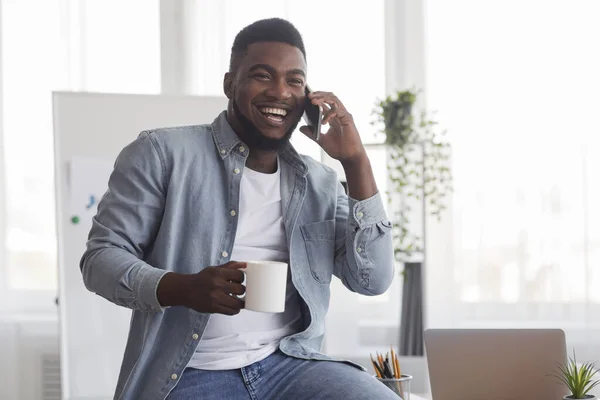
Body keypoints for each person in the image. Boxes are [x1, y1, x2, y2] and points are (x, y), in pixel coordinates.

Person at [81, 17, 396, 400]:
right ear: (230, 83)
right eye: (263, 76)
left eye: (294, 80)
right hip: (190, 372)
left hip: (289, 366)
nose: (280, 92)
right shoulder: (162, 154)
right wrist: (183, 287)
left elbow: (372, 279)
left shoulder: (320, 183)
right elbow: (100, 259)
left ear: (308, 96)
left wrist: (356, 162)